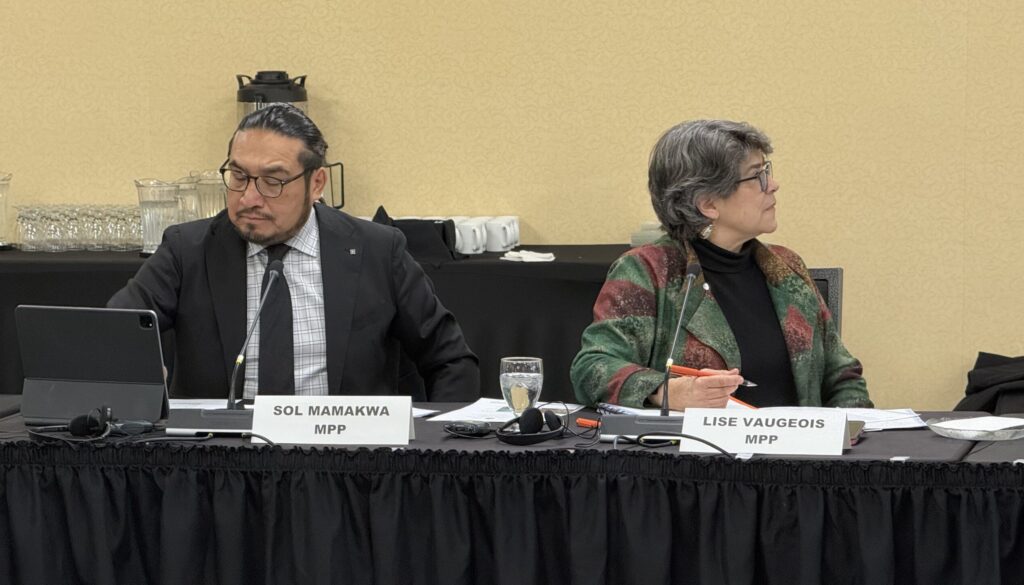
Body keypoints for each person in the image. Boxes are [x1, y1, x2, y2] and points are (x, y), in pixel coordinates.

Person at [109, 103, 479, 402]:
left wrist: (436, 448)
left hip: (345, 458)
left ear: (316, 183)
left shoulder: (377, 250)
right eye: (238, 176)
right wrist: (138, 374)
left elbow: (451, 361)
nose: (249, 198)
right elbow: (113, 333)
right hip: (222, 459)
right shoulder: (187, 250)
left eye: (272, 181)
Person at [571, 119, 871, 409]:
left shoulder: (786, 266)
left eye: (767, 171)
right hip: (693, 445)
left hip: (796, 445)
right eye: (757, 176)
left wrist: (851, 430)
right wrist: (665, 391)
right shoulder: (648, 270)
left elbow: (843, 377)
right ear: (709, 204)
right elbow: (593, 366)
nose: (773, 185)